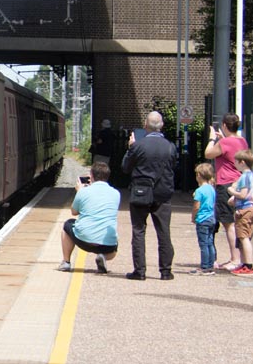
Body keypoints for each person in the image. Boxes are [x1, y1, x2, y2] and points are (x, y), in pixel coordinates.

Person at [121, 111, 177, 281]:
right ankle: (165, 271)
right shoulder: (170, 146)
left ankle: (140, 271)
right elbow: (174, 166)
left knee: (138, 231)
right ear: (162, 126)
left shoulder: (139, 146)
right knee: (164, 232)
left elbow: (125, 167)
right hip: (163, 194)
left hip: (141, 192)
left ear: (145, 125)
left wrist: (130, 148)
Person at [58, 161, 120, 274]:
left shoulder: (83, 192)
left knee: (67, 224)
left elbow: (74, 212)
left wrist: (79, 192)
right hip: (108, 245)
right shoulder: (116, 193)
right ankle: (103, 257)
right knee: (114, 241)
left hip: (84, 240)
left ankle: (66, 262)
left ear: (91, 176)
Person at [204, 112, 249, 271]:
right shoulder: (241, 140)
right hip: (238, 182)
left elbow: (208, 153)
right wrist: (223, 139)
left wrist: (212, 139)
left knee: (228, 223)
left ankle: (234, 258)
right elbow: (232, 154)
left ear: (224, 125)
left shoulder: (225, 142)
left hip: (226, 183)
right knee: (237, 221)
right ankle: (241, 258)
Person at [227, 149, 253, 275]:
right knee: (244, 237)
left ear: (242, 162)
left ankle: (248, 266)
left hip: (244, 210)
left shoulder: (244, 177)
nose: (234, 163)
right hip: (249, 208)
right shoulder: (251, 175)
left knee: (243, 237)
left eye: (236, 161)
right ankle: (244, 264)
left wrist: (231, 191)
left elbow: (243, 194)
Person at [189, 163, 217, 276]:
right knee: (210, 243)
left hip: (202, 219)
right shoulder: (211, 189)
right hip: (211, 218)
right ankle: (211, 265)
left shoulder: (199, 191)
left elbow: (196, 206)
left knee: (203, 244)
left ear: (199, 175)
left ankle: (204, 266)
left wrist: (193, 217)